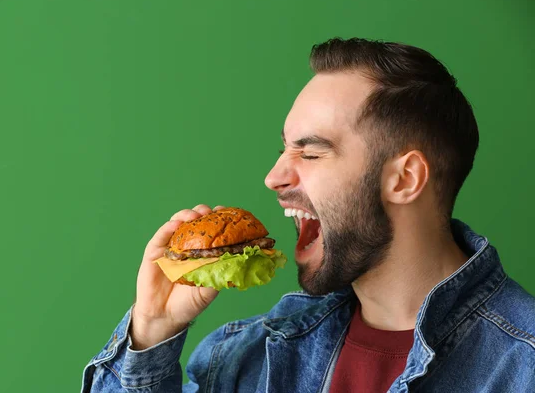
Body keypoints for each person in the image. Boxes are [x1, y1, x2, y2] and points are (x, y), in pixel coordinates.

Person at [81, 38, 535, 392]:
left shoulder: (523, 364)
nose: (273, 177)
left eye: (311, 153)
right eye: (284, 148)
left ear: (404, 179)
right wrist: (151, 331)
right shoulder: (243, 358)